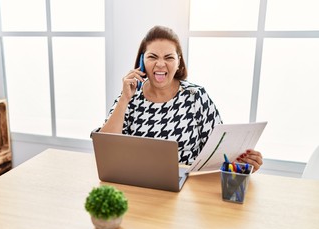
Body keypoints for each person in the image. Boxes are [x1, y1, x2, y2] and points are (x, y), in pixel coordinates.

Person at [99, 25, 263, 172]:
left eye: (169, 57)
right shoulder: (130, 96)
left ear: (179, 62)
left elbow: (219, 153)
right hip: (138, 184)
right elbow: (104, 149)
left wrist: (240, 165)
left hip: (187, 188)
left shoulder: (195, 96)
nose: (161, 64)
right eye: (153, 57)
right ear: (142, 61)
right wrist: (124, 99)